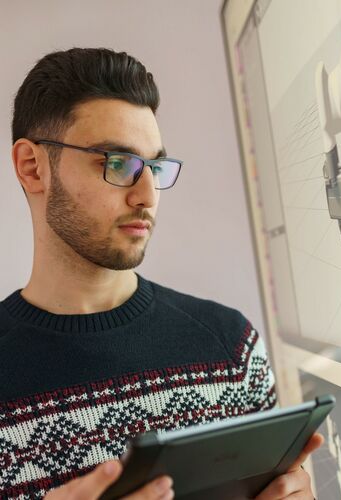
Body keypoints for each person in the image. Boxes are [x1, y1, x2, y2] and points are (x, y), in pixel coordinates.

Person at [0, 48, 321, 499]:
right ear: (33, 168)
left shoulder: (231, 347)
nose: (147, 195)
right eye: (118, 163)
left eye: (154, 167)